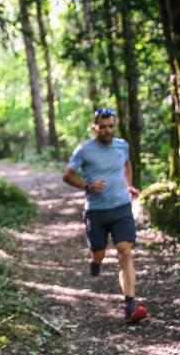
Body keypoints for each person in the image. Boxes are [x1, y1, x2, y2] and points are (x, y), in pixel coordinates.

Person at [62, 109, 148, 324]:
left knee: (125, 253)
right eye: (103, 127)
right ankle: (95, 259)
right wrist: (88, 185)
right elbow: (67, 176)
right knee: (99, 253)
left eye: (111, 126)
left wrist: (129, 186)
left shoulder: (122, 145)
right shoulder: (84, 150)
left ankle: (130, 305)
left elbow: (127, 164)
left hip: (121, 208)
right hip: (96, 212)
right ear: (95, 128)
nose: (108, 130)